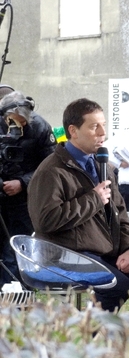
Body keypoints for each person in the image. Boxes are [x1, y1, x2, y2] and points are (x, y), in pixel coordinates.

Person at [27, 98, 129, 317]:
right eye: (94, 126)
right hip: (71, 256)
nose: (103, 133)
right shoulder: (51, 171)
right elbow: (46, 221)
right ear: (73, 131)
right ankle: (90, 339)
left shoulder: (103, 166)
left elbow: (121, 215)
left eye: (103, 125)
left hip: (107, 254)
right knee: (117, 286)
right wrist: (93, 199)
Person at [0, 91, 56, 285]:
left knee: (20, 247)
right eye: (13, 121)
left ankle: (21, 292)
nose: (19, 126)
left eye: (23, 122)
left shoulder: (40, 126)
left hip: (26, 199)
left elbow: (51, 166)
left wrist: (23, 182)